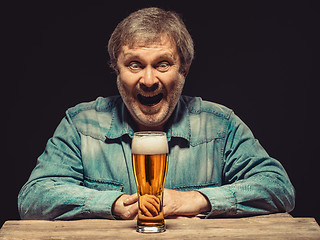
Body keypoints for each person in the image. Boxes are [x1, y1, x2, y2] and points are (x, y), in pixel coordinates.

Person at [18, 7, 295, 220]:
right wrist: (112, 204)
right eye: (135, 65)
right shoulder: (80, 124)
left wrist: (196, 199)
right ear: (117, 71)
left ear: (184, 70)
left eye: (163, 64)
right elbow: (33, 198)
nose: (149, 80)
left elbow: (278, 187)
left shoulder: (220, 126)